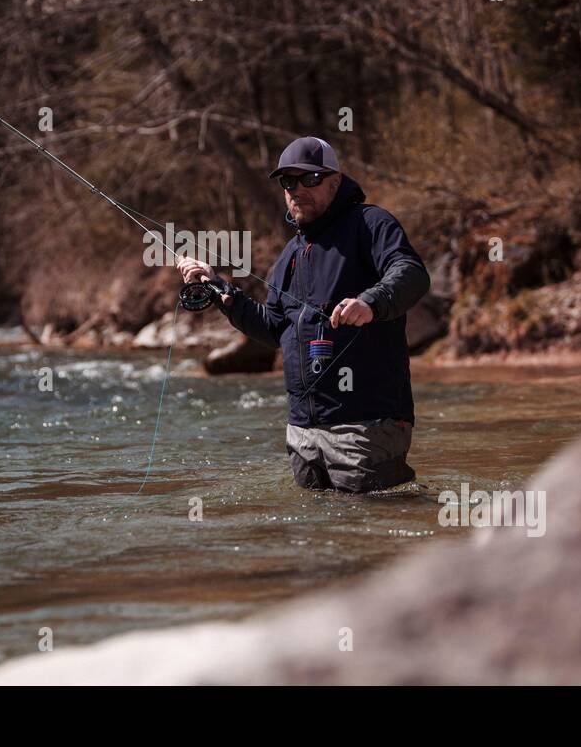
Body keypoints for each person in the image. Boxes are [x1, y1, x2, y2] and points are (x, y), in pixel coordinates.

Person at [177, 136, 431, 493]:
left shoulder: (370, 224)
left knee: (372, 527)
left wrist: (371, 303)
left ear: (336, 181)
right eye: (288, 182)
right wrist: (218, 289)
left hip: (365, 423)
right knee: (316, 536)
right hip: (302, 432)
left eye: (310, 179)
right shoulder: (291, 255)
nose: (297, 189)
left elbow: (411, 273)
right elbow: (274, 328)